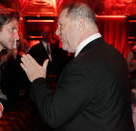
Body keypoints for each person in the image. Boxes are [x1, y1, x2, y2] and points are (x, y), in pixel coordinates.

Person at [20, 2, 134, 131]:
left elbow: (53, 115)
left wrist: (38, 80)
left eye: (61, 25)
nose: (57, 32)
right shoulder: (115, 54)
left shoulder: (83, 65)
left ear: (80, 24)